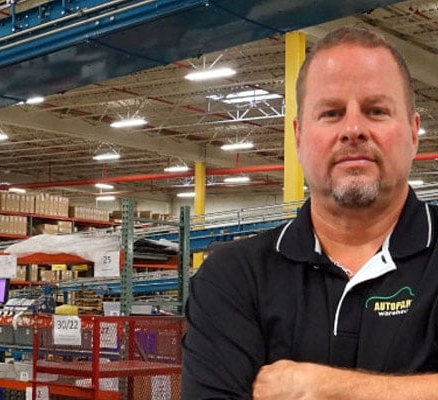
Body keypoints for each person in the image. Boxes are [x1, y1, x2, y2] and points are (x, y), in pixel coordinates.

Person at [181, 25, 438, 399]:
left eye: (376, 110)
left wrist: (331, 389)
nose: (353, 129)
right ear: (298, 136)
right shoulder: (232, 279)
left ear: (414, 133)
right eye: (332, 113)